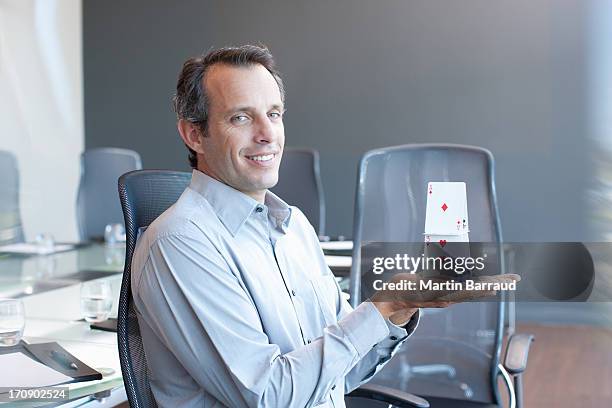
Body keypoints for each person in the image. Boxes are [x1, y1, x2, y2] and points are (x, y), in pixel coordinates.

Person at [131, 44, 517, 408]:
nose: (267, 133)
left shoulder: (293, 227)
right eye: (241, 117)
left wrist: (397, 313)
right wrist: (382, 307)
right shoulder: (180, 242)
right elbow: (269, 396)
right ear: (194, 134)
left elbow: (338, 376)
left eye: (275, 113)